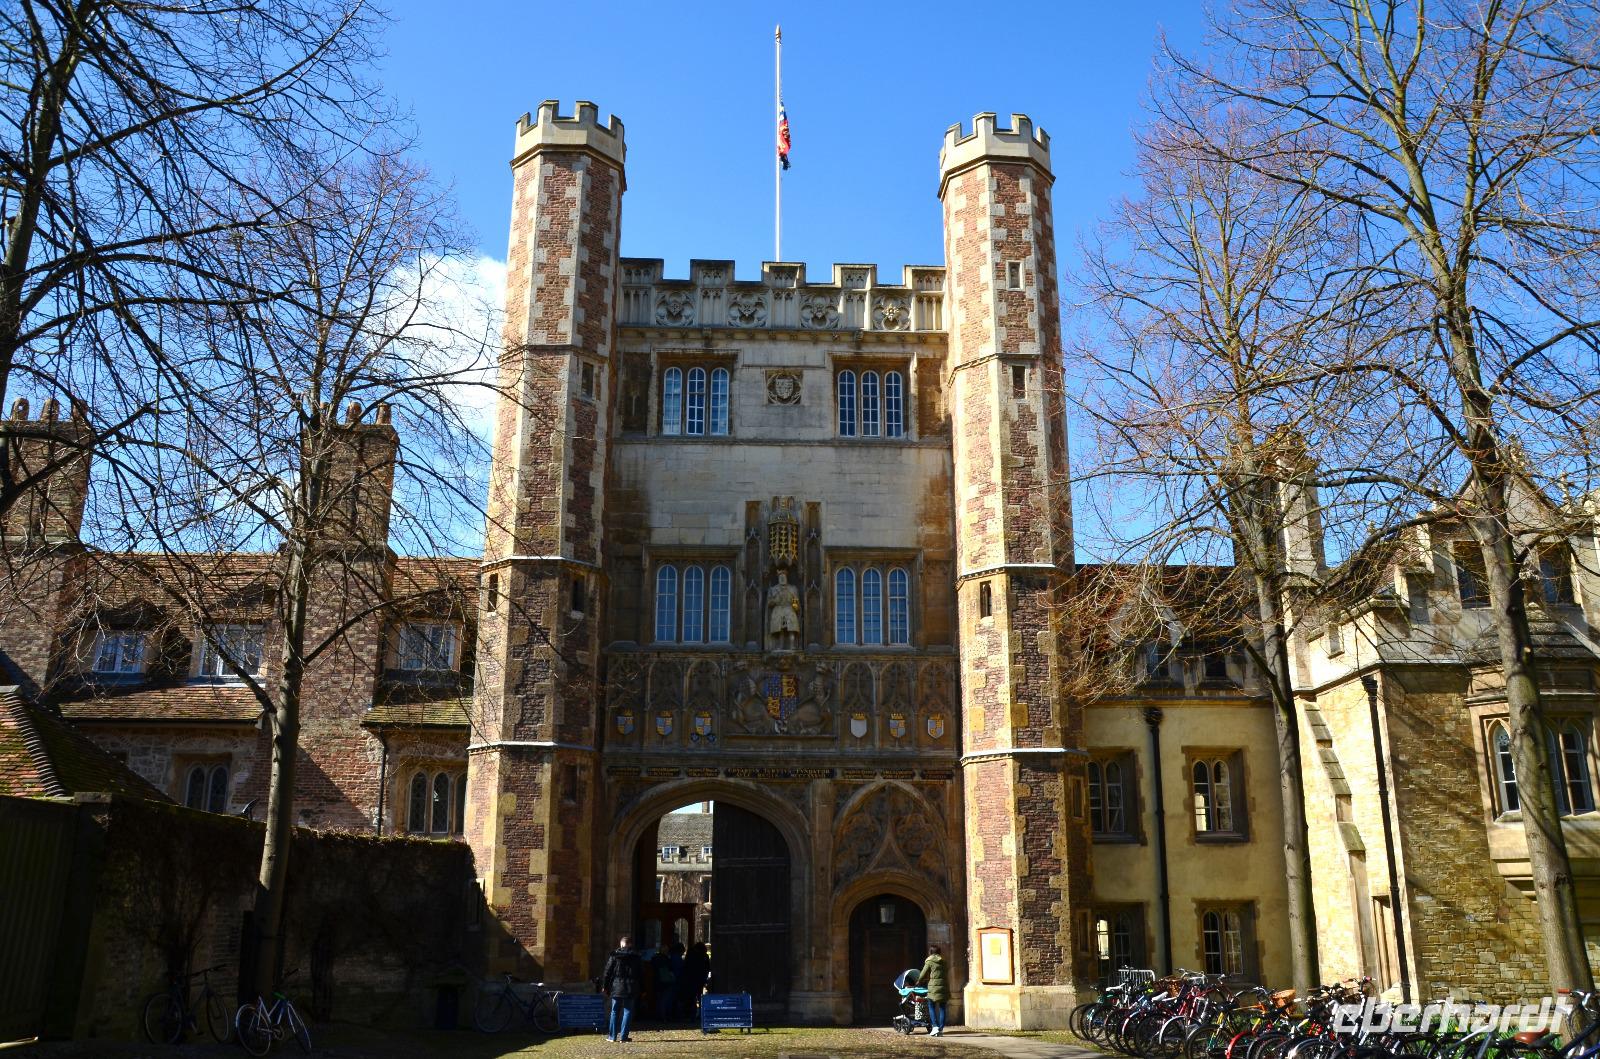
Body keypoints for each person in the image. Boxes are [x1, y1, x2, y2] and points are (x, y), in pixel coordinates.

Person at [602, 934, 644, 1043]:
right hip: (631, 987)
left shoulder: (615, 956)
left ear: (621, 944)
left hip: (617, 987)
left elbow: (607, 972)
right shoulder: (636, 957)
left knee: (615, 1011)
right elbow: (641, 974)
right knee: (628, 1011)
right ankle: (624, 1037)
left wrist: (605, 986)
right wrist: (642, 989)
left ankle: (612, 1036)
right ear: (630, 945)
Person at [917, 944, 949, 1036]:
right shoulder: (944, 961)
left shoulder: (929, 961)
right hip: (943, 986)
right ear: (939, 952)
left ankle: (935, 1027)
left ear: (930, 952)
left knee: (931, 1006)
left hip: (933, 987)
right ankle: (941, 1029)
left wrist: (919, 981)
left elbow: (923, 973)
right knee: (942, 1008)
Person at [682, 942, 710, 1017]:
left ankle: (692, 1012)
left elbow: (686, 967)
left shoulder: (691, 956)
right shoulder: (705, 956)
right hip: (700, 979)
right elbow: (707, 968)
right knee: (700, 996)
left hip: (691, 979)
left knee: (692, 996)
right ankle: (700, 1012)